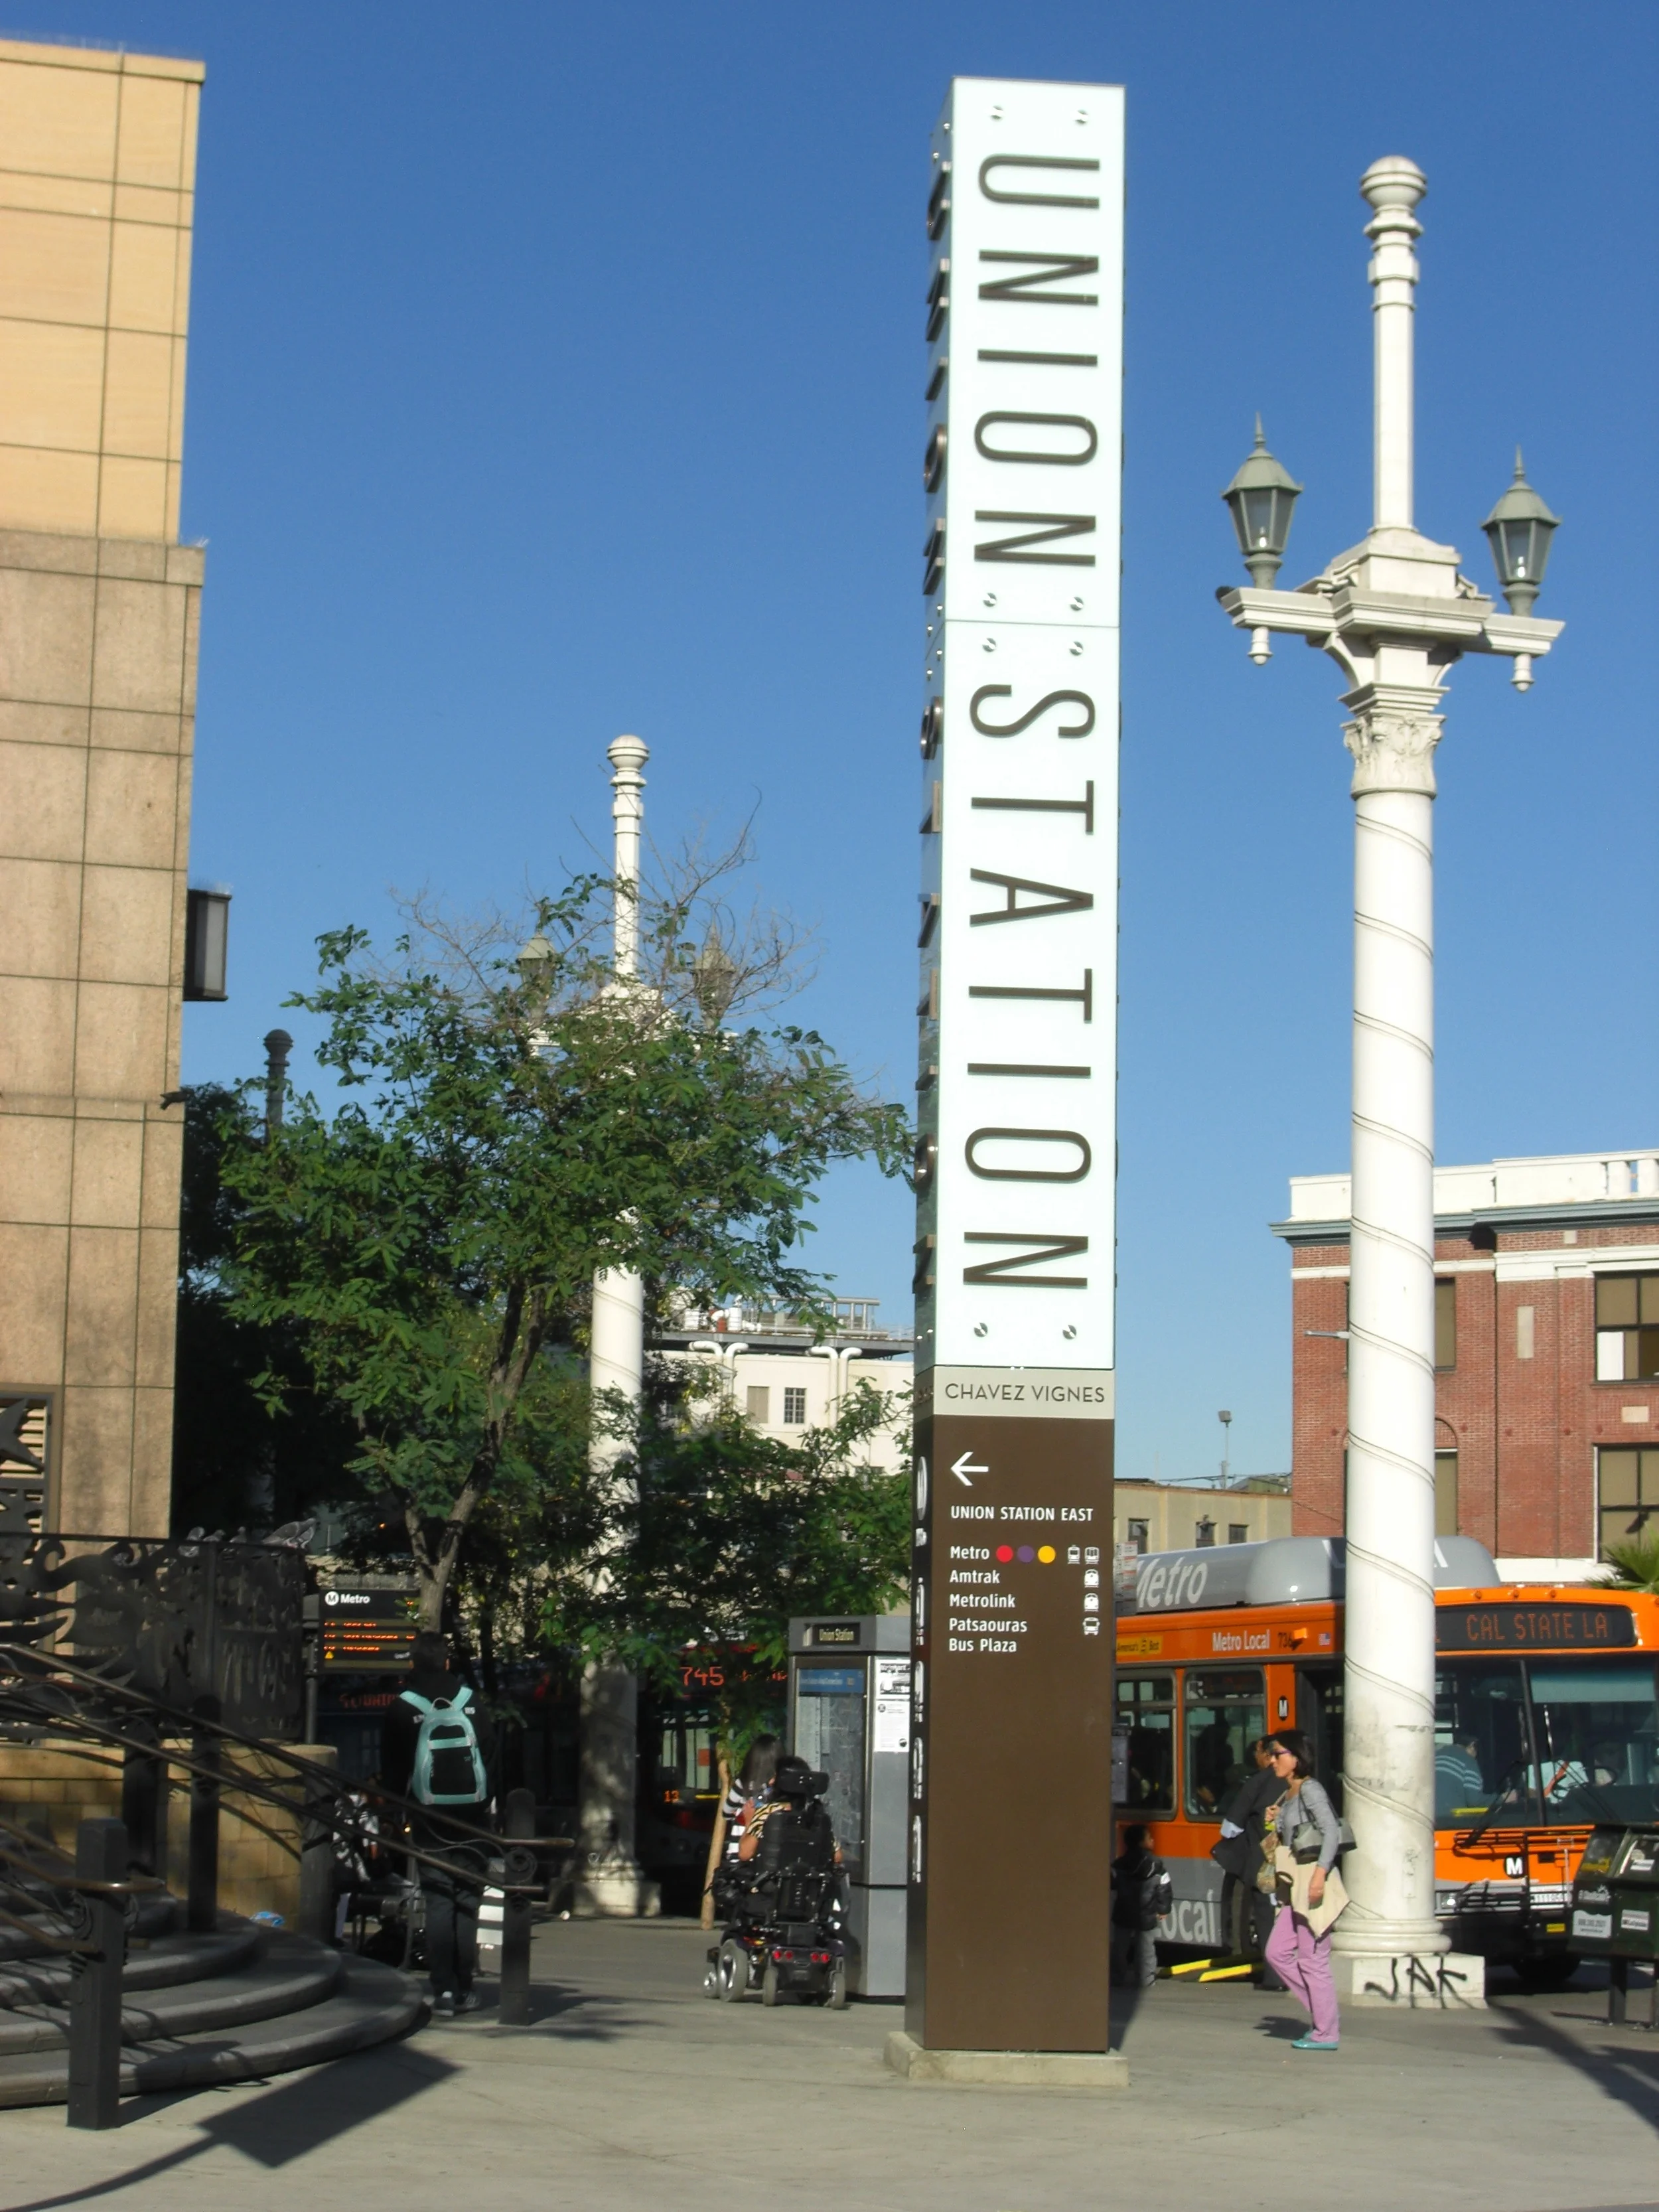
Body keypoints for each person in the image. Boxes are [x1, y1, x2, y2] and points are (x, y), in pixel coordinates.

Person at [380, 1630, 496, 2018]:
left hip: (428, 1818)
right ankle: (466, 1987)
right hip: (474, 1819)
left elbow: (393, 1771)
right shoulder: (471, 1703)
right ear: (447, 1662)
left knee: (438, 1898)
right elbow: (495, 1759)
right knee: (467, 1898)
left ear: (413, 1664)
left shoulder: (402, 1707)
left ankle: (443, 1990)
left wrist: (394, 1812)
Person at [1262, 1731, 1343, 2050]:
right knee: (1277, 1952)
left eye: (1277, 1753)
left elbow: (1331, 1832)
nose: (1272, 1761)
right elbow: (1290, 1841)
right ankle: (1324, 2017)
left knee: (1313, 1959)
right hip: (1295, 1886)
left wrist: (1320, 1877)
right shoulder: (1289, 1794)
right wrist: (1276, 1821)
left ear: (1295, 1757)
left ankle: (1327, 2031)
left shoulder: (1311, 1789)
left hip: (1312, 1881)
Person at [1216, 1738, 1284, 1986]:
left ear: (1268, 1756)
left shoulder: (1257, 1782)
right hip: (1297, 1864)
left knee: (1266, 1917)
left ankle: (1275, 1976)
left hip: (1265, 1864)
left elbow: (1230, 1828)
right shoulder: (1306, 1784)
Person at [1111, 1824, 1170, 1989]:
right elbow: (1164, 1888)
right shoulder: (1157, 1866)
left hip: (1123, 1912)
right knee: (1146, 1950)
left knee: (1120, 1948)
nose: (1153, 1840)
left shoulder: (1119, 1865)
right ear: (1142, 1843)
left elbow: (1111, 1884)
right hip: (1147, 1914)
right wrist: (1163, 1909)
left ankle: (1117, 1977)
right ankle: (1146, 1979)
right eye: (1150, 1838)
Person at [1435, 1730, 1485, 1817]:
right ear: (1472, 1745)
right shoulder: (1468, 1760)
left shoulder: (1435, 1755)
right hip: (1452, 1823)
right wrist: (1503, 1798)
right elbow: (1474, 1801)